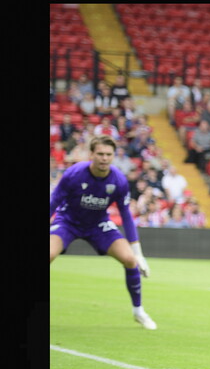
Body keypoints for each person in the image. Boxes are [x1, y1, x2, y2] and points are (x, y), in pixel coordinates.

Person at [50, 135, 156, 330]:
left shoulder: (119, 180)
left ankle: (138, 311)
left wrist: (139, 253)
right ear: (91, 154)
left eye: (108, 154)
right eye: (100, 154)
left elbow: (126, 216)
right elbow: (53, 203)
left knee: (130, 260)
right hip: (68, 221)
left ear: (114, 156)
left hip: (98, 224)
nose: (104, 158)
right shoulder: (74, 174)